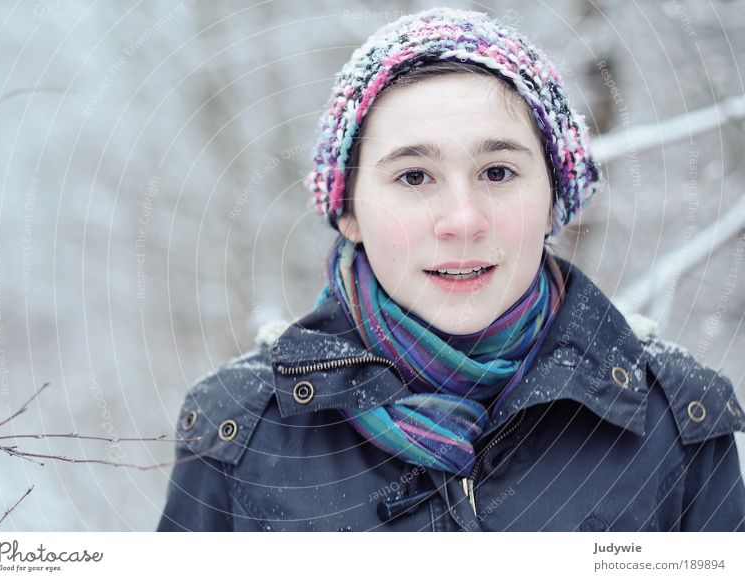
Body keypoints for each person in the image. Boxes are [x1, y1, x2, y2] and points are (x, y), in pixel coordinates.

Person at [157, 7, 745, 532]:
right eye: (414, 177)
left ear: (552, 198)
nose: (462, 221)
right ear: (350, 210)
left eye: (497, 173)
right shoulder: (238, 429)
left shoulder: (675, 423)